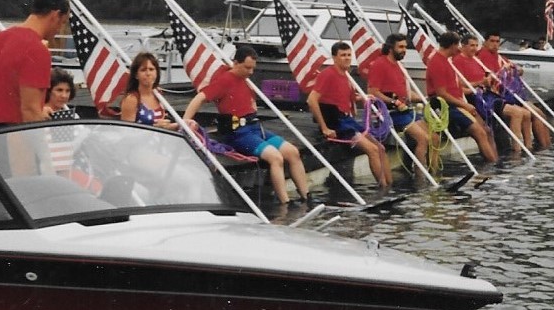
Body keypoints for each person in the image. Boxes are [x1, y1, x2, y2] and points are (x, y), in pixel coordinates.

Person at [182, 43, 309, 207]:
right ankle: (285, 202)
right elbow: (199, 98)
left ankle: (306, 197)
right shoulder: (225, 80)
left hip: (255, 129)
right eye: (247, 68)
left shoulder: (245, 80)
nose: (250, 72)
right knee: (275, 157)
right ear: (236, 63)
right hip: (239, 133)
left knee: (293, 152)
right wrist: (185, 121)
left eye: (253, 68)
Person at [306, 40, 394, 190]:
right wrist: (325, 128)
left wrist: (363, 97)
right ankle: (383, 189)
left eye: (348, 55)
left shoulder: (346, 76)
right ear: (334, 57)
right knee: (372, 150)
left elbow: (347, 97)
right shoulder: (328, 74)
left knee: (380, 148)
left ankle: (390, 186)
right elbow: (311, 100)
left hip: (348, 120)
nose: (347, 58)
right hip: (337, 122)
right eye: (342, 55)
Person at [0, 0, 72, 125]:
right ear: (55, 15)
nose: (59, 30)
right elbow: (30, 111)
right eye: (62, 23)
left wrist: (41, 111)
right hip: (16, 140)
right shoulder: (36, 49)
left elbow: (7, 97)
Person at [423, 29, 497, 164]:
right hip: (445, 106)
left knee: (486, 130)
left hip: (458, 102)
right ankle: (491, 164)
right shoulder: (437, 63)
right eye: (457, 45)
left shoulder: (446, 61)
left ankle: (494, 161)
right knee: (480, 133)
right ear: (452, 45)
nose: (458, 48)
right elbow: (442, 94)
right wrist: (465, 105)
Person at [360, 30, 428, 168]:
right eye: (401, 47)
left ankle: (433, 170)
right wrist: (393, 101)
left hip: (406, 111)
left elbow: (407, 94)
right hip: (391, 114)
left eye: (405, 47)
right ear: (391, 48)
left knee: (434, 137)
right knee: (423, 138)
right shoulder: (379, 64)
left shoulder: (399, 66)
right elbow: (373, 92)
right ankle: (422, 177)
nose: (404, 50)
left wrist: (424, 98)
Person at [460, 32, 535, 156]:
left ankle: (528, 147)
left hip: (489, 94)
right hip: (477, 97)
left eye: (475, 45)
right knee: (517, 113)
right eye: (471, 46)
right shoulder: (459, 61)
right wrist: (482, 83)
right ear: (463, 46)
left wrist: (500, 76)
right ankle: (516, 152)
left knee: (526, 113)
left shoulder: (475, 60)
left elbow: (490, 79)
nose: (474, 48)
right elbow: (461, 85)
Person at [118, 48, 178, 129]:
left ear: (157, 72)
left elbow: (163, 127)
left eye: (151, 69)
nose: (148, 73)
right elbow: (126, 131)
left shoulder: (158, 94)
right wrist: (155, 127)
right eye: (143, 70)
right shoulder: (132, 99)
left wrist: (182, 125)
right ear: (136, 75)